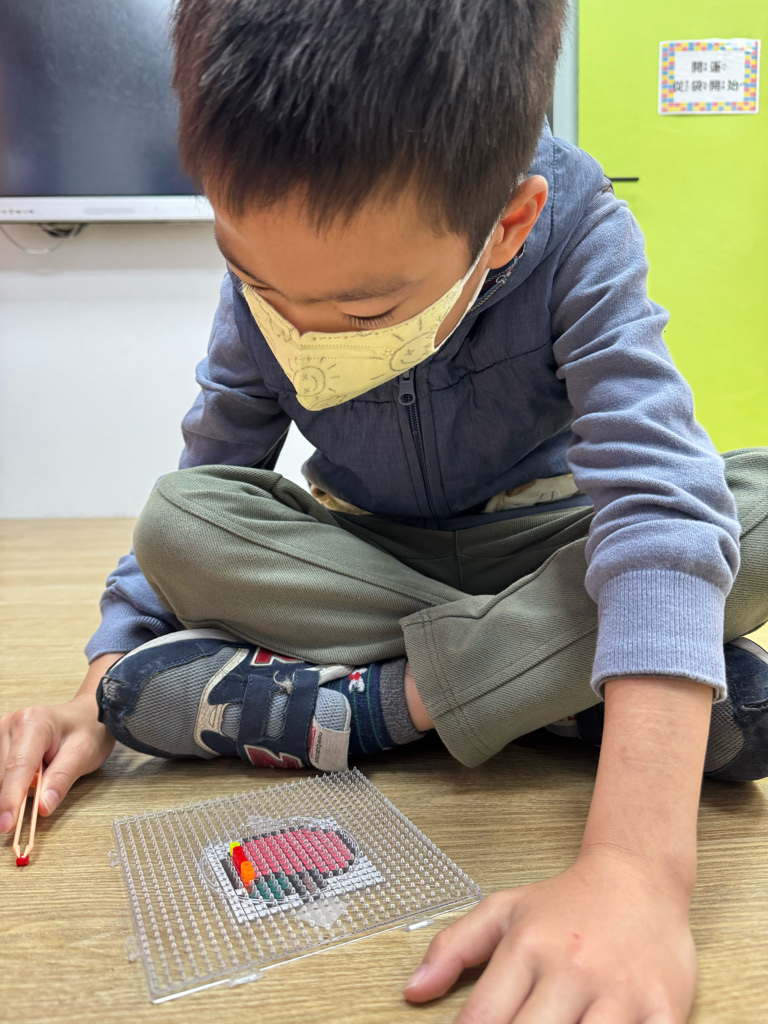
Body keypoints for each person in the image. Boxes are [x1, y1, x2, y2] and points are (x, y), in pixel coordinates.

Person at [2, 0, 767, 1019]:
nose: (298, 326)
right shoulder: (276, 275)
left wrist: (636, 869)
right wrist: (95, 691)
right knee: (178, 522)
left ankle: (392, 702)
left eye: (363, 310)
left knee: (744, 507)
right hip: (366, 563)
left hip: (542, 551)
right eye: (255, 281)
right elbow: (216, 466)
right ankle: (553, 690)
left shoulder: (580, 227)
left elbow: (658, 496)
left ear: (509, 226)